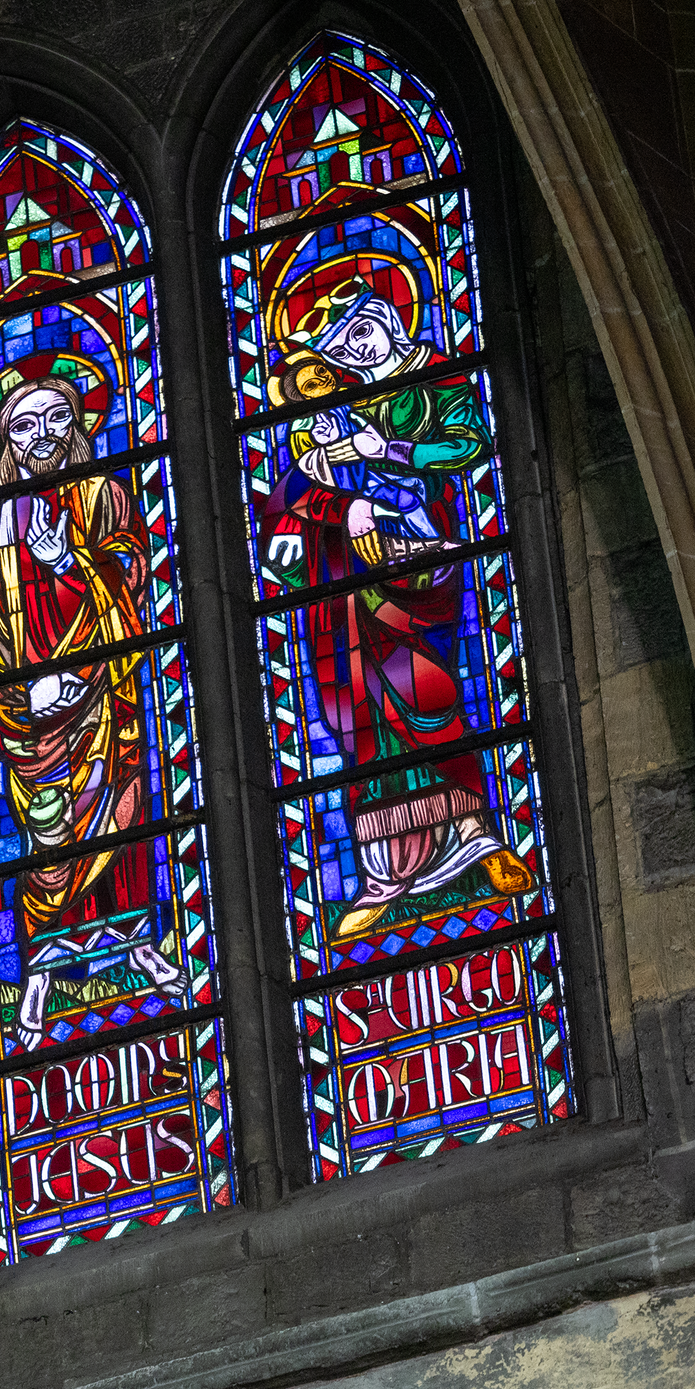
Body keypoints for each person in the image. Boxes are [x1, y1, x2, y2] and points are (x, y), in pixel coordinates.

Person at [257, 277, 532, 942]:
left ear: (385, 319)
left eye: (349, 344)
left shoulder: (415, 392)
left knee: (431, 693)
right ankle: (384, 874)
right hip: (344, 615)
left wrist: (390, 455)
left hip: (415, 582)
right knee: (357, 726)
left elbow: (464, 449)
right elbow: (279, 530)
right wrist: (334, 508)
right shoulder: (311, 455)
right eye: (311, 388)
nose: (327, 391)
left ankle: (475, 834)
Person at [0, 364, 186, 1039]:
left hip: (105, 694)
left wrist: (66, 562)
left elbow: (134, 577)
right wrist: (28, 691)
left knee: (123, 810)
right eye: (25, 426)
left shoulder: (104, 494)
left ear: (78, 424)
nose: (43, 436)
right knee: (48, 834)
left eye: (57, 419)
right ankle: (41, 973)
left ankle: (141, 945)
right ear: (6, 440)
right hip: (36, 714)